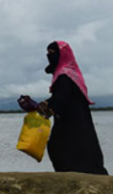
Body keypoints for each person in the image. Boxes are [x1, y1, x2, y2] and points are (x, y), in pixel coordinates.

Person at [38, 41, 108, 175]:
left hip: (72, 124)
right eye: (47, 54)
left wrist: (47, 105)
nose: (49, 57)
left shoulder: (65, 75)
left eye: (52, 54)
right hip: (74, 122)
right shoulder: (69, 74)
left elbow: (62, 98)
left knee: (61, 148)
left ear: (62, 55)